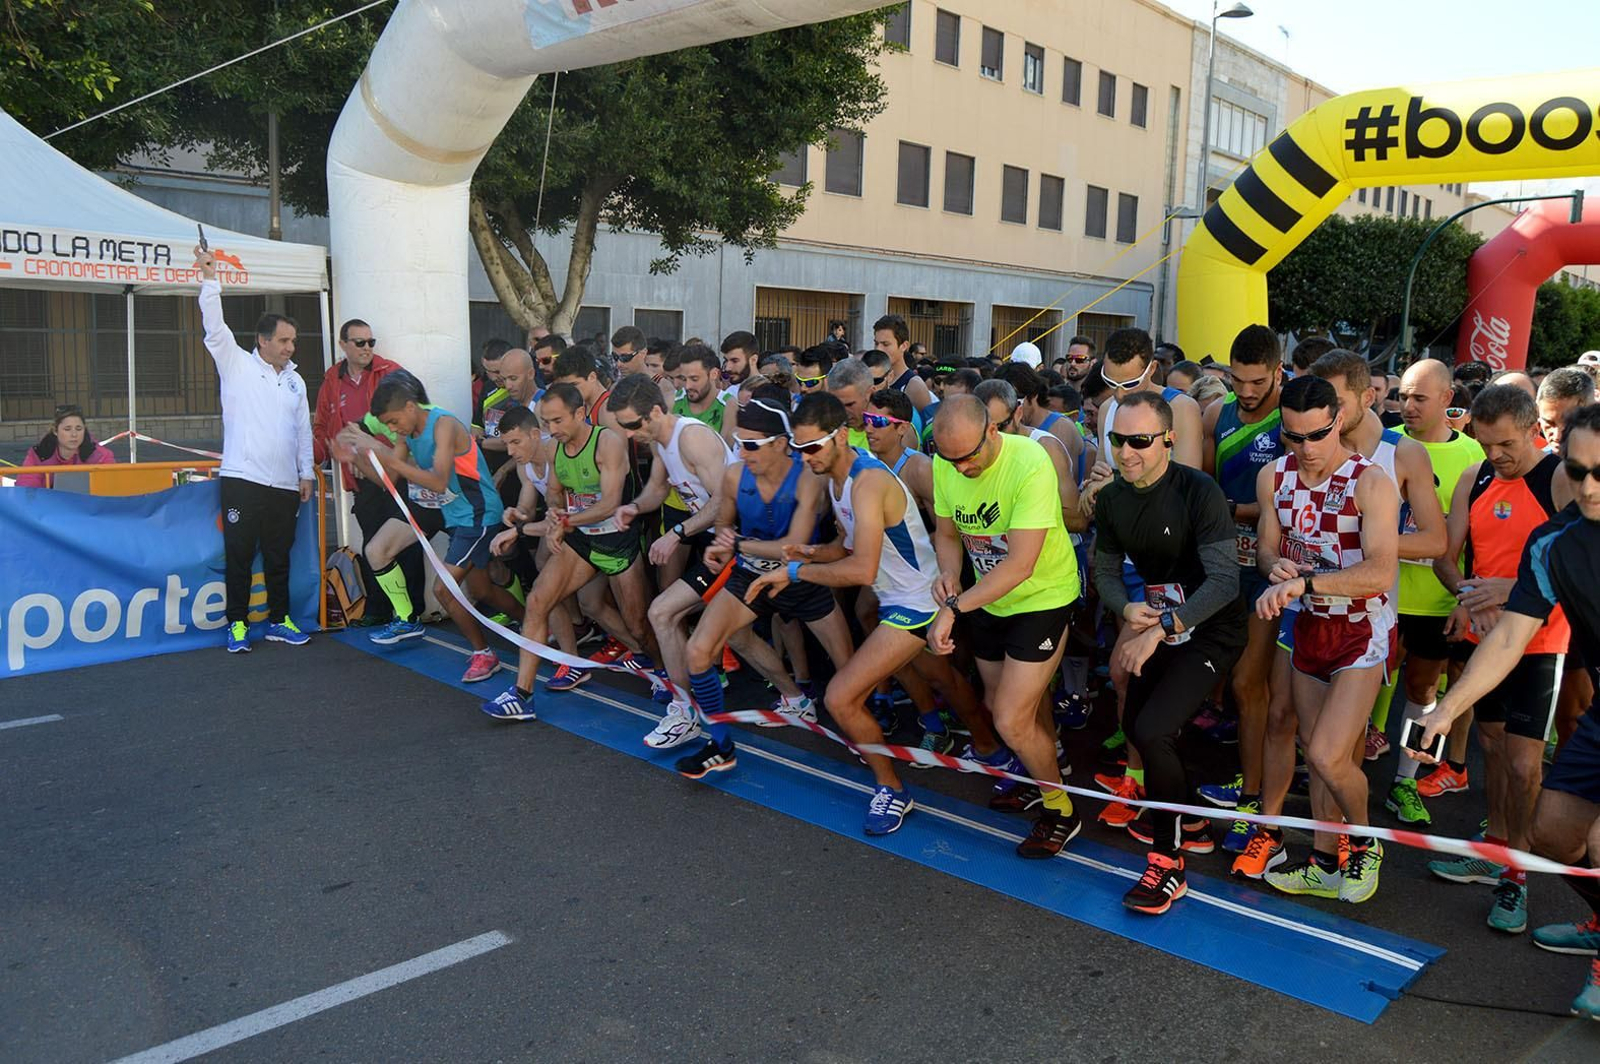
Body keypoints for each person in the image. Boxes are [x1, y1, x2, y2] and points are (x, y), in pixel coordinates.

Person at [1413, 402, 1600, 1020]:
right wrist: (1445, 712)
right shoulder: (1555, 543)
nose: (1590, 486)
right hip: (1556, 674)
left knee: (1579, 819)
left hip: (1559, 663)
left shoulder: (1554, 497)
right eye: (1581, 471)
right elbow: (1509, 634)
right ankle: (1584, 911)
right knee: (1553, 834)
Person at [742, 393, 1001, 834]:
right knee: (942, 678)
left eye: (812, 448)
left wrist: (795, 570)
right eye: (798, 448)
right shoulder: (835, 477)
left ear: (841, 435)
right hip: (900, 599)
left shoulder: (867, 482)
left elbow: (861, 568)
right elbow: (847, 548)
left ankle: (892, 790)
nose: (805, 458)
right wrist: (810, 552)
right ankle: (991, 749)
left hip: (917, 603)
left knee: (840, 697)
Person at [1425, 384, 1573, 934]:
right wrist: (1468, 596)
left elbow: (1574, 565)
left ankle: (1519, 876)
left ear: (1533, 427)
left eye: (1506, 444)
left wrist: (1508, 591)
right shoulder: (1476, 475)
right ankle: (1495, 850)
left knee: (1524, 764)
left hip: (1539, 640)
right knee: (1491, 749)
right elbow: (1446, 556)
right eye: (1485, 444)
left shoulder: (1559, 477)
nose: (1496, 456)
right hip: (1483, 635)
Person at [1093, 391, 1246, 913]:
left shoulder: (1199, 491)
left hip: (1211, 630)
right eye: (1118, 440)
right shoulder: (1113, 498)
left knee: (1154, 728)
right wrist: (1125, 606)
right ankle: (1190, 815)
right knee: (1139, 724)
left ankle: (1168, 862)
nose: (1127, 451)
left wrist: (1162, 625)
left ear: (1169, 440)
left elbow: (1225, 581)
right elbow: (1106, 571)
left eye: (1140, 441)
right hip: (1160, 622)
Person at [1256, 375, 1399, 904]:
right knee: (1315, 759)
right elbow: (1266, 549)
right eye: (1292, 437)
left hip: (1361, 627)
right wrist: (1278, 568)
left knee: (1330, 753)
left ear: (1337, 420)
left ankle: (1365, 844)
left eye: (1315, 435)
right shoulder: (1274, 477)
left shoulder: (1371, 482)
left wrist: (1306, 580)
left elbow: (1381, 572)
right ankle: (1323, 861)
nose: (1305, 449)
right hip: (1310, 623)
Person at [927, 395, 1084, 858]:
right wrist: (949, 572)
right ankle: (1046, 769)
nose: (959, 468)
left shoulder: (1029, 461)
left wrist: (954, 607)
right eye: (949, 459)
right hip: (988, 602)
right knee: (1011, 706)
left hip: (1042, 596)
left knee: (1010, 718)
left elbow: (1020, 565)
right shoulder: (947, 462)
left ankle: (1062, 810)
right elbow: (949, 534)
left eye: (968, 456)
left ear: (993, 431)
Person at [672, 398, 857, 780]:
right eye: (739, 441)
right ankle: (726, 742)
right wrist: (720, 548)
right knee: (698, 650)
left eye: (751, 444)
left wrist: (737, 545)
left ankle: (863, 738)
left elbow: (794, 544)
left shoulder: (808, 477)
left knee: (848, 668)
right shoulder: (735, 476)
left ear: (780, 443)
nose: (741, 451)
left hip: (802, 577)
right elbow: (724, 525)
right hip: (751, 575)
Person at [479, 383, 659, 721]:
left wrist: (564, 520)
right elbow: (555, 495)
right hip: (581, 539)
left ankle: (663, 672)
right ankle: (522, 695)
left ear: (579, 413)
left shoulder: (607, 441)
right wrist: (552, 512)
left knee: (638, 626)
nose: (553, 430)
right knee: (538, 601)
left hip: (616, 539)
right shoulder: (552, 450)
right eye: (547, 423)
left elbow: (609, 503)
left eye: (558, 421)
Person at [340, 372, 523, 680]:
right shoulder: (406, 432)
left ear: (411, 407)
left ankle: (484, 654)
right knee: (482, 589)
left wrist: (382, 451)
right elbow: (390, 482)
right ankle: (532, 624)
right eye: (389, 425)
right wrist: (356, 458)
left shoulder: (444, 425)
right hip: (458, 517)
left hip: (479, 515)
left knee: (444, 590)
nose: (393, 429)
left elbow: (437, 481)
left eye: (394, 422)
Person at [601, 373, 739, 741]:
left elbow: (725, 501)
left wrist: (678, 533)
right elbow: (657, 490)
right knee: (734, 637)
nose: (628, 435)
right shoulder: (661, 440)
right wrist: (633, 507)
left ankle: (685, 711)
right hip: (712, 540)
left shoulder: (692, 438)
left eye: (632, 425)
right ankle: (795, 696)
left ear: (656, 411)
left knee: (663, 612)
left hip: (734, 540)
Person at [194, 244, 315, 654]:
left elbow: (303, 430)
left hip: (284, 484)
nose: (290, 347)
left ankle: (280, 620)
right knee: (240, 556)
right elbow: (214, 327)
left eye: (292, 341)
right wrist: (210, 279)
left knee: (279, 557)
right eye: (283, 340)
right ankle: (238, 625)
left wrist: (307, 474)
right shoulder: (236, 364)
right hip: (243, 480)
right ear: (262, 341)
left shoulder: (296, 382)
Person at [1388, 358, 1486, 824]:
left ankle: (1404, 781)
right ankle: (1338, 770)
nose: (1407, 406)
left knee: (1423, 688)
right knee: (1360, 688)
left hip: (1436, 600)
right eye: (1403, 396)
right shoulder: (1382, 443)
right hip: (1379, 594)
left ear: (1448, 400)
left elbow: (1478, 542)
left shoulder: (1473, 456)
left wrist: (1466, 600)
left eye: (1419, 398)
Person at [1197, 324, 1282, 855]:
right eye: (1237, 380)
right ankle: (1247, 784)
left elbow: (1294, 496)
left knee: (1253, 685)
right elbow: (1205, 488)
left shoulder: (1295, 416)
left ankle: (1254, 803)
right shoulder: (1216, 413)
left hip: (1273, 567)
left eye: (1257, 381)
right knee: (1231, 682)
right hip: (1222, 561)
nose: (1246, 391)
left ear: (1277, 370)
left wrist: (1237, 513)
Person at [16, 404, 115, 488]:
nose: (74, 434)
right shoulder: (39, 454)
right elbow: (26, 491)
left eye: (79, 429)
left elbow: (111, 488)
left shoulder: (100, 456)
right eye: (67, 429)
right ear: (55, 431)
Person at [873, 313, 935, 412]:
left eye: (885, 344)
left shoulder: (914, 386)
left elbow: (926, 425)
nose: (878, 349)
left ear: (904, 346)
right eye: (876, 343)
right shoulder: (870, 379)